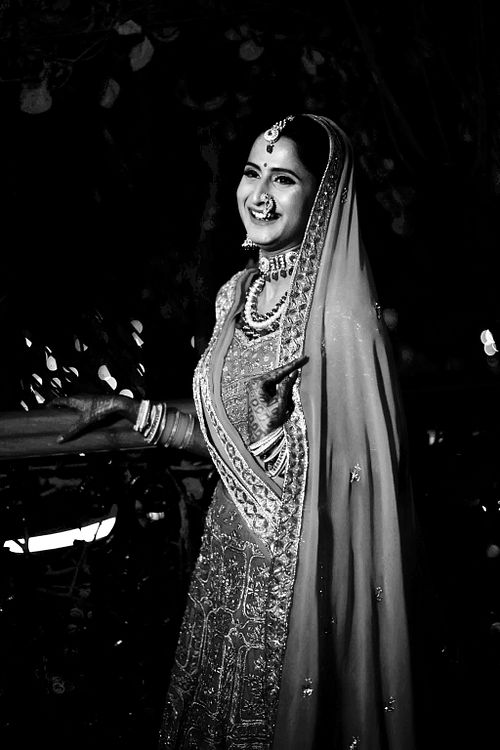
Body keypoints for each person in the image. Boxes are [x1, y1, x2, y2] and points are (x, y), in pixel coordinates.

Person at [52, 114, 417, 749]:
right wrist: (134, 413)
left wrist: (280, 436)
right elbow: (225, 441)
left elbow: (353, 481)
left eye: (284, 179)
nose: (260, 195)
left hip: (300, 575)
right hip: (227, 559)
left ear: (322, 196)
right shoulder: (234, 296)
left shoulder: (340, 316)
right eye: (252, 173)